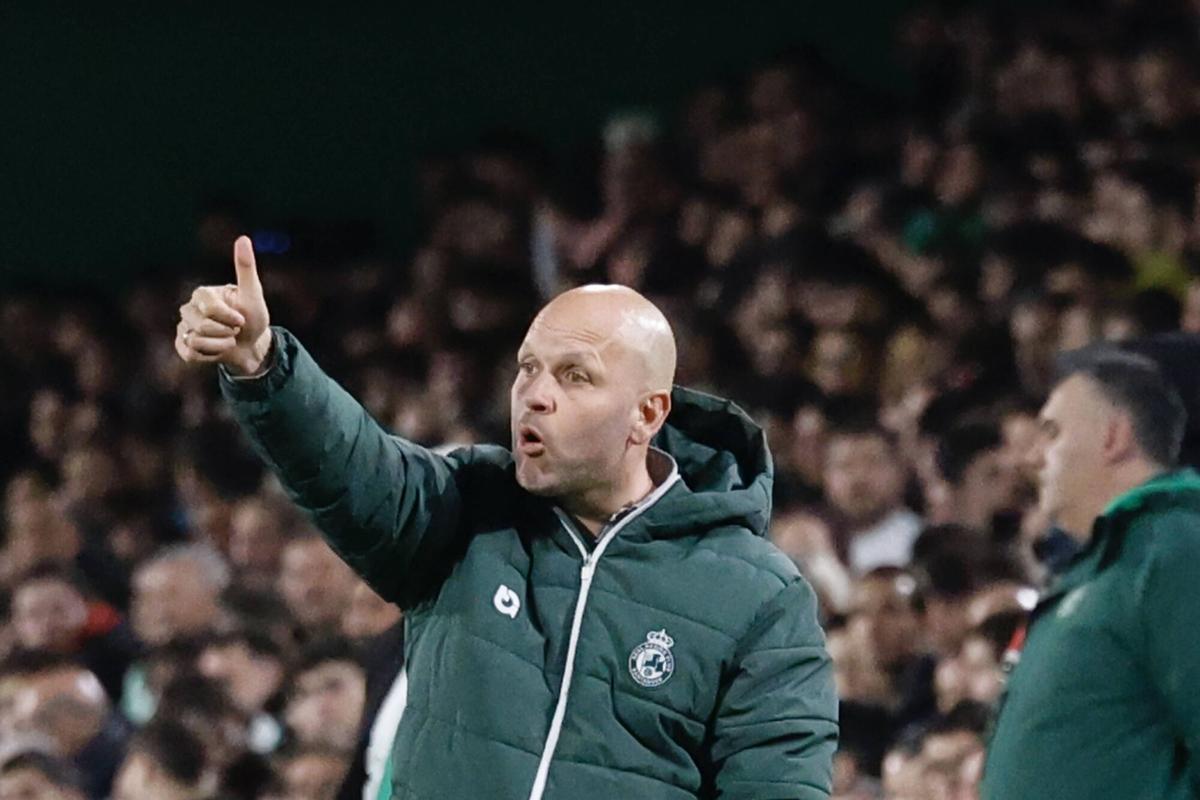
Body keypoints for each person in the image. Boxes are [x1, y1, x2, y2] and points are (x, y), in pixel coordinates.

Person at [174, 236, 837, 798]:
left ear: (647, 414)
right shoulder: (468, 506)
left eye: (575, 376)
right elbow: (354, 468)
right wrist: (265, 368)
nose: (536, 397)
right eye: (528, 370)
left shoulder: (757, 597)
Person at [982, 347, 1200, 799]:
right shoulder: (1106, 565)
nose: (1030, 459)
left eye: (1052, 432)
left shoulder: (1176, 545)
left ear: (1113, 436)